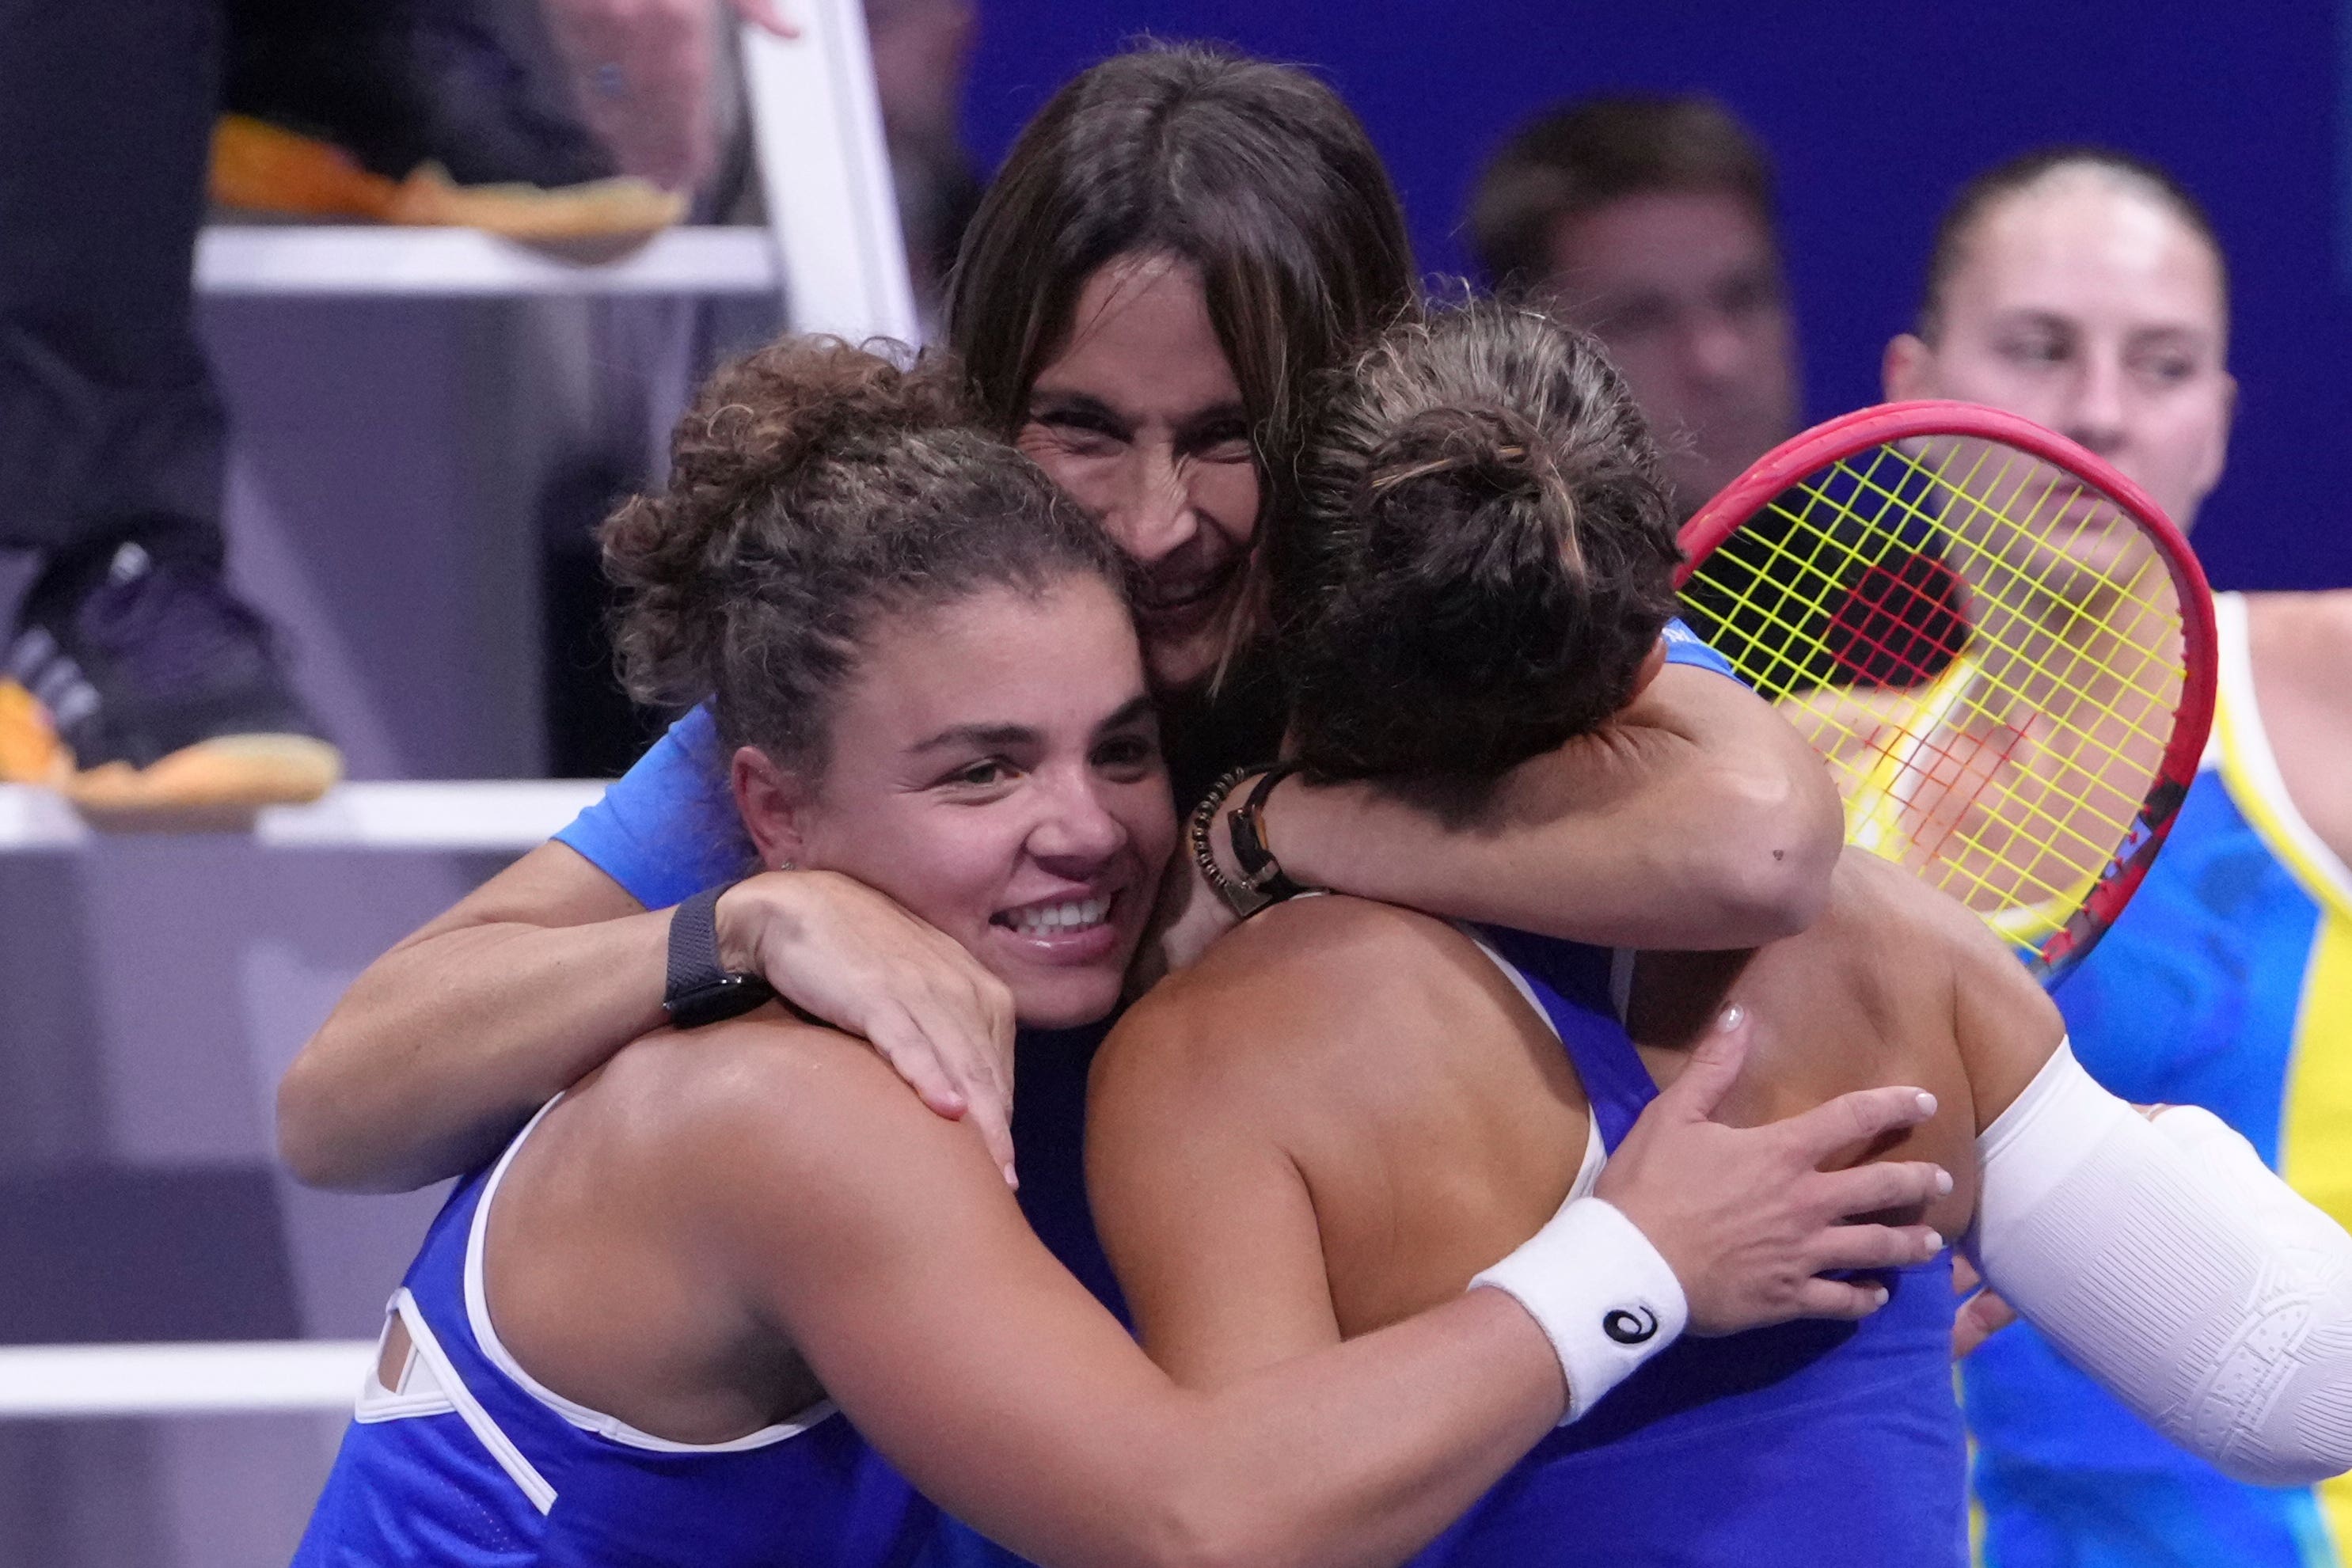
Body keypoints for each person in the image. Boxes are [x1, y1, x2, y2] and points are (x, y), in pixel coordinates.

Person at [290, 336, 1950, 1567]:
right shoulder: (786, 1108)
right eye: (981, 772)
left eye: (1123, 749)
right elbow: (1194, 1527)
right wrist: (1639, 1262)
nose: (1082, 825)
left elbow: (1756, 841)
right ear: (769, 810)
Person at [278, 47, 1844, 1224]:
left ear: (1347, 426)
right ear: (981, 404)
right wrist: (741, 928)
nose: (1155, 525)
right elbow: (344, 1102)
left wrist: (1270, 836)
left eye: (1228, 437)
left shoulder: (1459, 622)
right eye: (1082, 430)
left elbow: (1758, 843)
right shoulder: (895, 688)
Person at [1089, 300, 2352, 1566]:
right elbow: (2303, 1382)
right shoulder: (1894, 950)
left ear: (1289, 613)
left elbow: (1244, 1536)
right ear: (1652, 622)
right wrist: (2154, 1154)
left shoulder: (1211, 1057)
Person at [1879, 147, 2352, 1566]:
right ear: (1912, 394)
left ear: (2215, 424)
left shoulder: (2326, 690)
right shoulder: (1812, 786)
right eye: (2038, 350)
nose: (2097, 411)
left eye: (2162, 367)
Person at [1468, 93, 1799, 518]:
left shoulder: (1887, 563)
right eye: (1641, 320)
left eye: (1743, 299)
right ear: (1524, 360)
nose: (1718, 362)